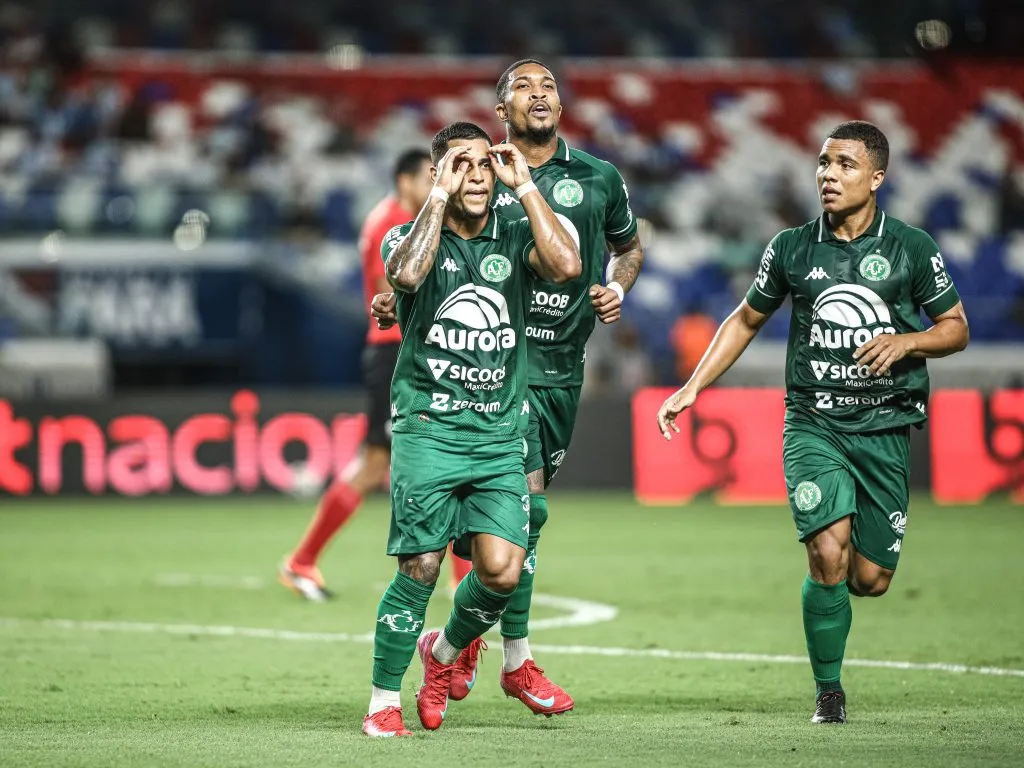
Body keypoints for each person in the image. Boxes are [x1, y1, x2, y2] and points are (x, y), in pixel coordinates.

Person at [656, 121, 969, 724]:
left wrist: (907, 342)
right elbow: (746, 320)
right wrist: (694, 386)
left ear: (878, 177)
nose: (828, 174)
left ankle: (840, 593)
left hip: (883, 427)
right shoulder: (793, 246)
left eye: (845, 164)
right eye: (823, 163)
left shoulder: (911, 247)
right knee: (827, 554)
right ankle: (829, 690)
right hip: (813, 423)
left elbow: (955, 327)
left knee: (869, 578)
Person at [371, 58, 645, 715]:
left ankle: (451, 647)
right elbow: (423, 265)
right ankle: (514, 661)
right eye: (523, 86)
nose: (539, 94)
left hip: (560, 368)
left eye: (548, 84)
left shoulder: (597, 178)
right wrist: (396, 298)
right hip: (495, 382)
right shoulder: (478, 175)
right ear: (502, 109)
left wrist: (619, 285)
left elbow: (625, 250)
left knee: (519, 536)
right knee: (528, 514)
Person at [363, 121, 580, 737]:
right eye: (462, 165)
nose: (477, 175)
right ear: (439, 175)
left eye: (485, 164)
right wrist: (438, 195)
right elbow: (404, 278)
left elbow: (566, 265)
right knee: (422, 568)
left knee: (504, 570)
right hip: (429, 429)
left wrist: (529, 186)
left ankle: (443, 649)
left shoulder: (514, 230)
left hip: (496, 434)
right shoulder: (407, 236)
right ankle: (382, 699)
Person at [278, 149, 478, 600]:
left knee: (447, 457)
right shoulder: (391, 223)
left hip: (413, 354)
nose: (435, 188)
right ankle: (301, 560)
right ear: (405, 180)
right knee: (377, 466)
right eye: (427, 180)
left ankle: (460, 576)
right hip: (398, 355)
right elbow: (393, 294)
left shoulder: (403, 220)